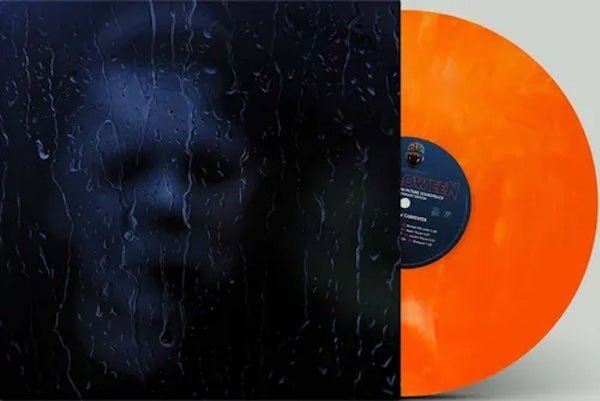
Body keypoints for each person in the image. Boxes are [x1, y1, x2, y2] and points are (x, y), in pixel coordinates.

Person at [0, 2, 400, 398]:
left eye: (208, 171)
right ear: (59, 199)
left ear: (260, 197)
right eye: (125, 169)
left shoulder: (346, 372)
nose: (169, 202)